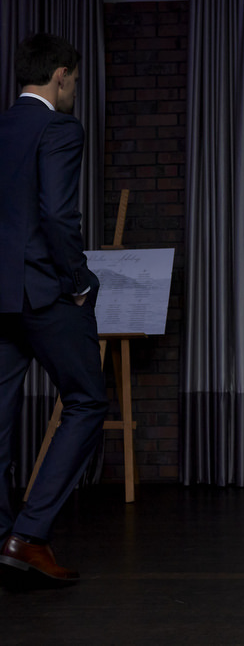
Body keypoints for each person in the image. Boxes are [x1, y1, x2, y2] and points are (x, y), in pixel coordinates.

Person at [0, 33, 108, 586]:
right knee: (88, 401)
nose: (74, 91)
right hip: (44, 292)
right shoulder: (60, 127)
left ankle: (3, 539)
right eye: (75, 81)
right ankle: (28, 536)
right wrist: (79, 281)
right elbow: (59, 215)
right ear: (60, 75)